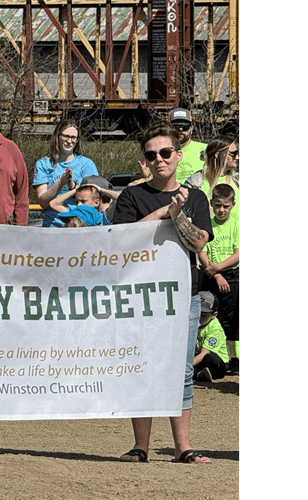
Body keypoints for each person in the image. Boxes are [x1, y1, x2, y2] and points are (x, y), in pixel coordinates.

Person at [112, 122, 213, 464]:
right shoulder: (132, 196)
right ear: (145, 160)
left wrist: (179, 215)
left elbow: (199, 241)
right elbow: (120, 240)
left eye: (165, 152)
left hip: (184, 294)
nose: (159, 159)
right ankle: (140, 446)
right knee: (141, 365)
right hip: (140, 295)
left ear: (178, 155)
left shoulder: (196, 197)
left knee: (182, 370)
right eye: (151, 154)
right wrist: (161, 213)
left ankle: (182, 447)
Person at [198, 184, 240, 375]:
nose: (221, 210)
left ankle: (232, 359)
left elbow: (238, 254)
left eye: (225, 206)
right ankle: (208, 355)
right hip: (211, 276)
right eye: (218, 206)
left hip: (232, 276)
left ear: (233, 205)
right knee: (211, 315)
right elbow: (202, 251)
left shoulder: (237, 224)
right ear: (211, 204)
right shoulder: (207, 224)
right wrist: (215, 273)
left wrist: (219, 268)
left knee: (231, 319)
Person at [33, 119, 99, 227]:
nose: (69, 141)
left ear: (77, 140)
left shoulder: (87, 164)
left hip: (80, 225)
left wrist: (72, 186)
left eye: (73, 137)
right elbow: (43, 202)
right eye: (66, 136)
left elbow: (93, 200)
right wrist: (60, 183)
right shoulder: (43, 164)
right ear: (57, 136)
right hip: (53, 225)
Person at [184, 136, 240, 222]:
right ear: (217, 155)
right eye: (233, 153)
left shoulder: (237, 180)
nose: (237, 157)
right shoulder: (196, 182)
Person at [48, 175, 118, 225]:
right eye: (77, 201)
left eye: (83, 201)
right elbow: (53, 204)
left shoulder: (103, 218)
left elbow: (119, 197)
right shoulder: (75, 212)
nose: (78, 204)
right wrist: (76, 190)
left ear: (97, 202)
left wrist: (100, 189)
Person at [193, 291, 229, 382]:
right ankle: (198, 375)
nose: (198, 317)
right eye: (197, 312)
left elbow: (204, 353)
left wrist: (185, 367)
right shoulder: (192, 322)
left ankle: (197, 373)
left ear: (214, 315)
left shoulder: (215, 327)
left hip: (217, 362)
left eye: (203, 315)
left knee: (210, 358)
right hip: (198, 357)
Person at [167, 108, 206, 184]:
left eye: (185, 126)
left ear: (191, 128)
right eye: (175, 126)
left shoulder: (206, 149)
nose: (180, 129)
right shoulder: (160, 152)